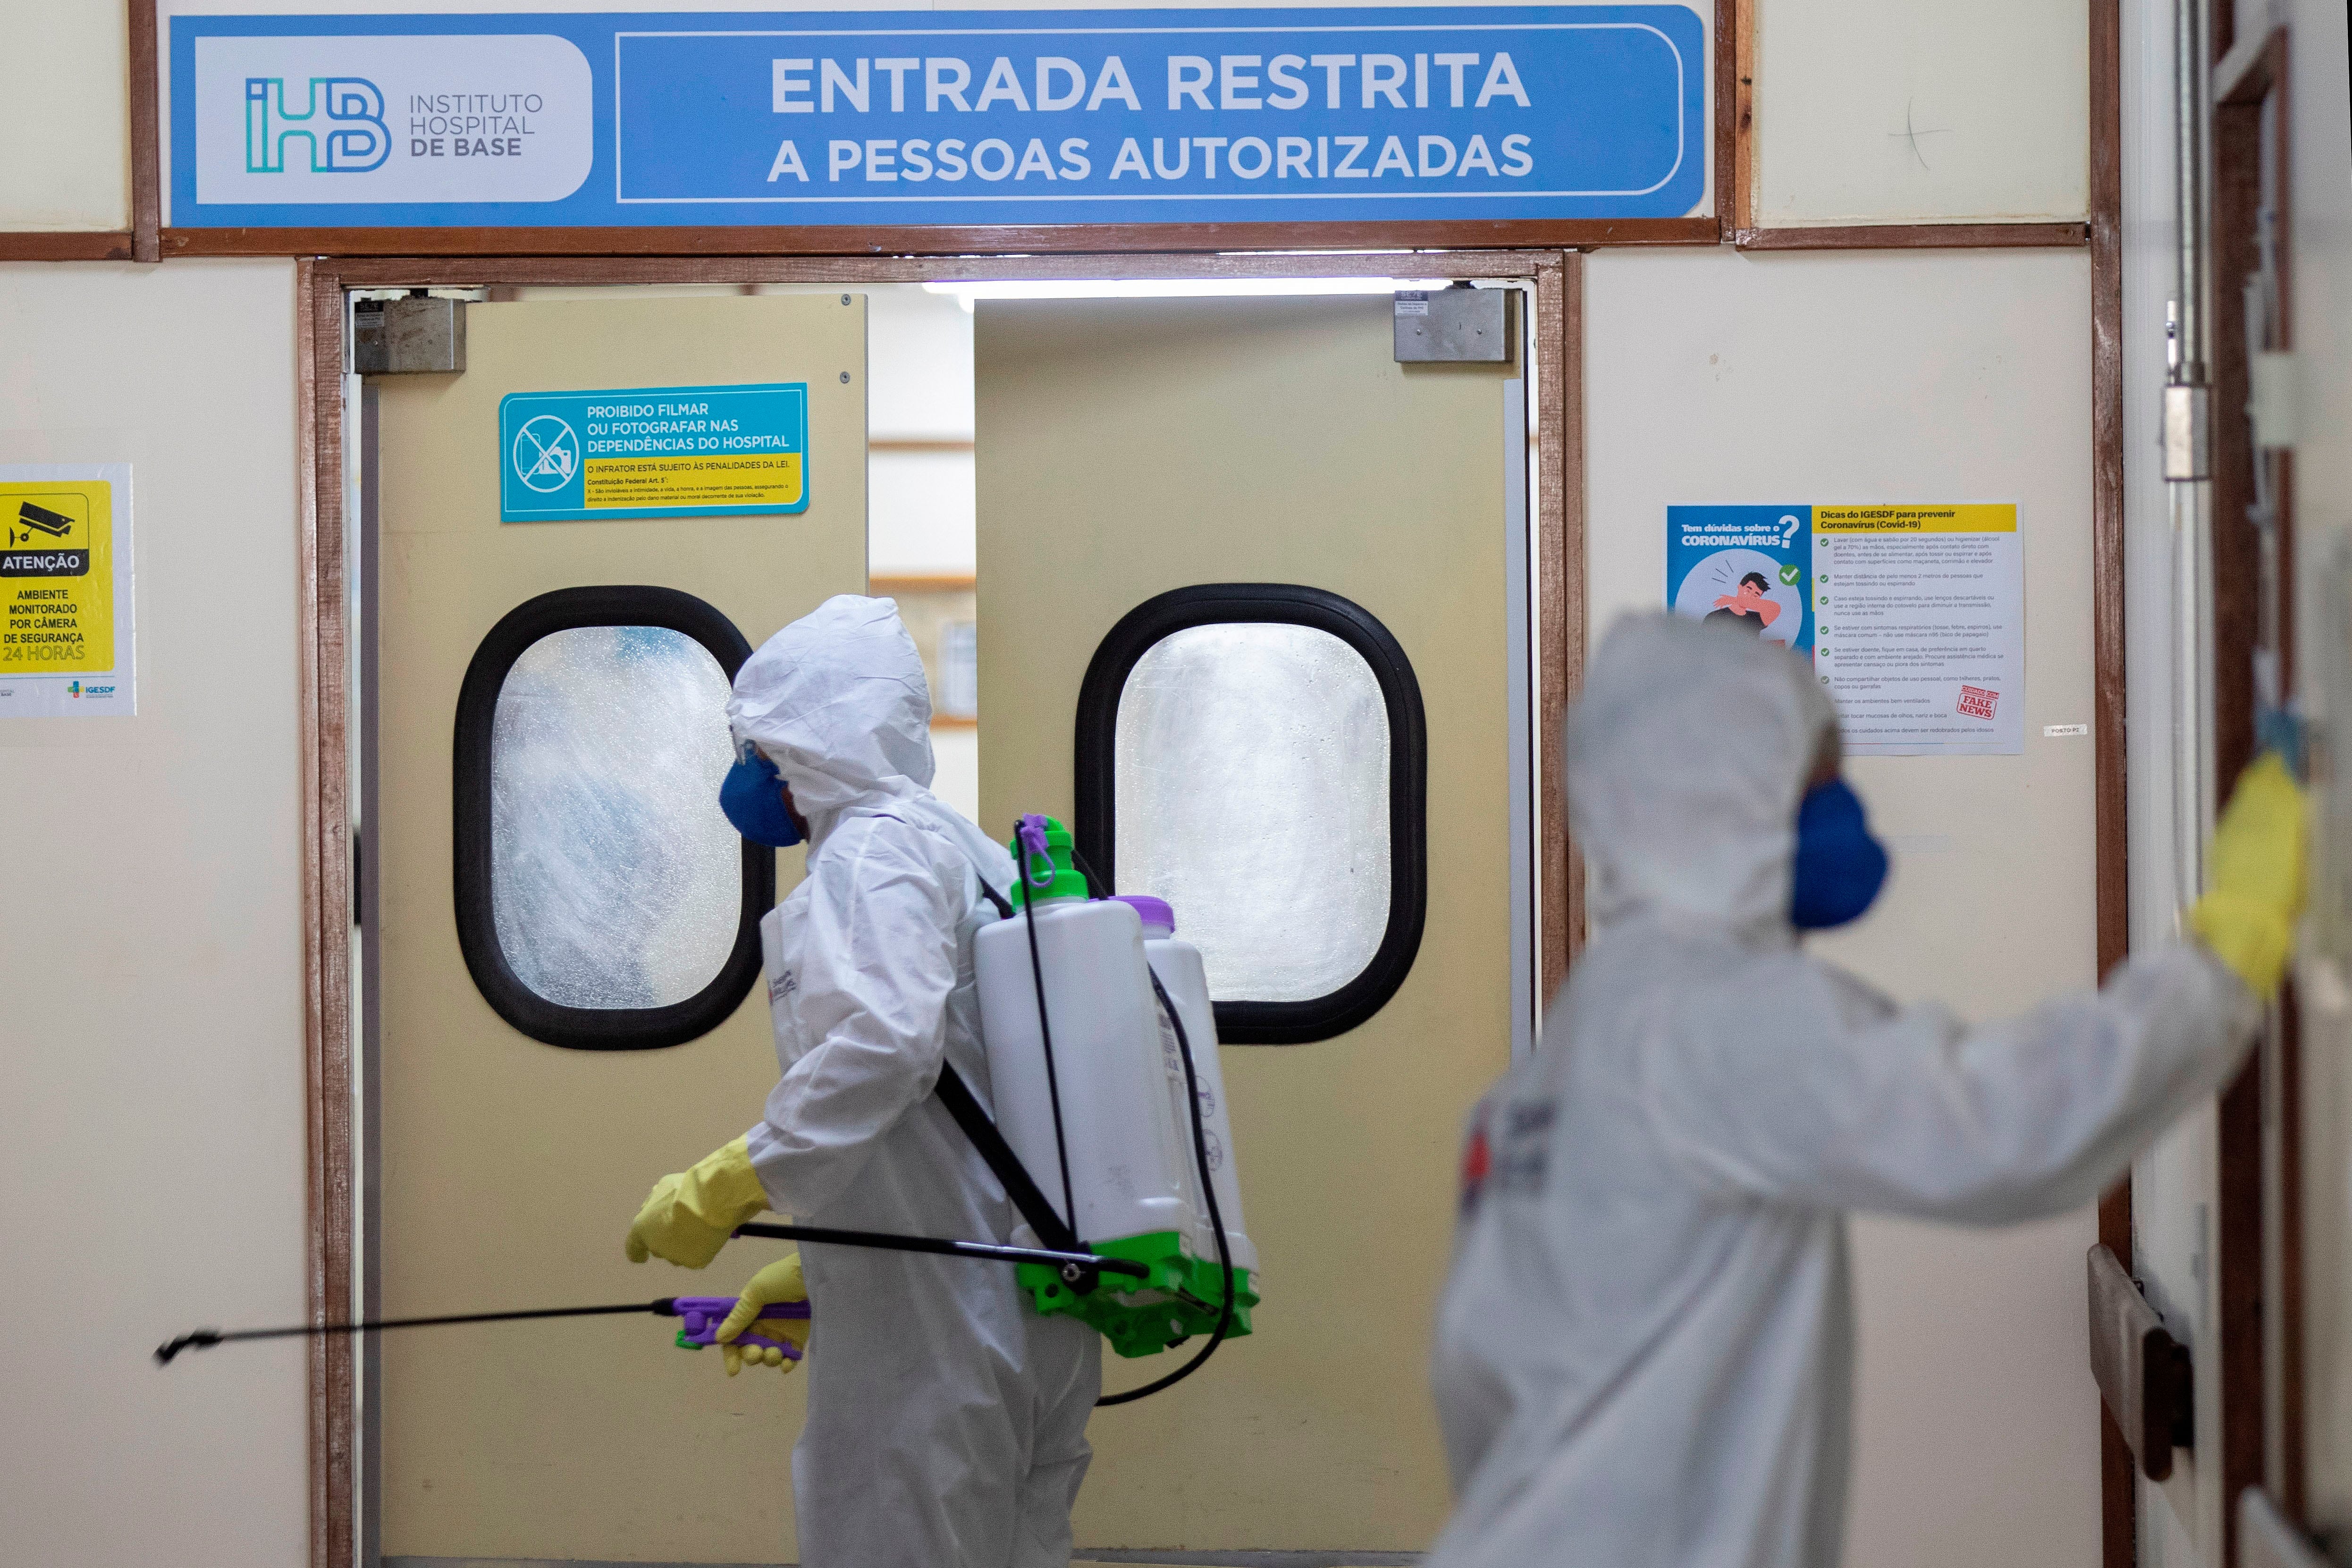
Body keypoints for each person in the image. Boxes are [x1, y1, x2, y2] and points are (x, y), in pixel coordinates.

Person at [1426, 611, 2306, 1568]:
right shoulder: (1718, 1014)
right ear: (1719, 795)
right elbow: (2006, 1125)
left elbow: (1471, 1377)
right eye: (1813, 774)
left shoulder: (1585, 1032)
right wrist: (2228, 949)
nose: (1843, 801)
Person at [623, 594, 1100, 1568]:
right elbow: (964, 1103)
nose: (748, 773)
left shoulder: (874, 851)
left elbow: (887, 1045)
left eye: (758, 747)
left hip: (944, 1328)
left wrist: (734, 1179)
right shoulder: (956, 847)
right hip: (1004, 1298)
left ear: (813, 740)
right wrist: (823, 1273)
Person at [1707, 569, 1781, 634]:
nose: (1750, 597)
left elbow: (1775, 608)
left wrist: (1735, 600)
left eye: (1756, 595)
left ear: (1759, 599)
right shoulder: (1715, 617)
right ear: (1740, 587)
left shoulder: (1756, 619)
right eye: (1748, 590)